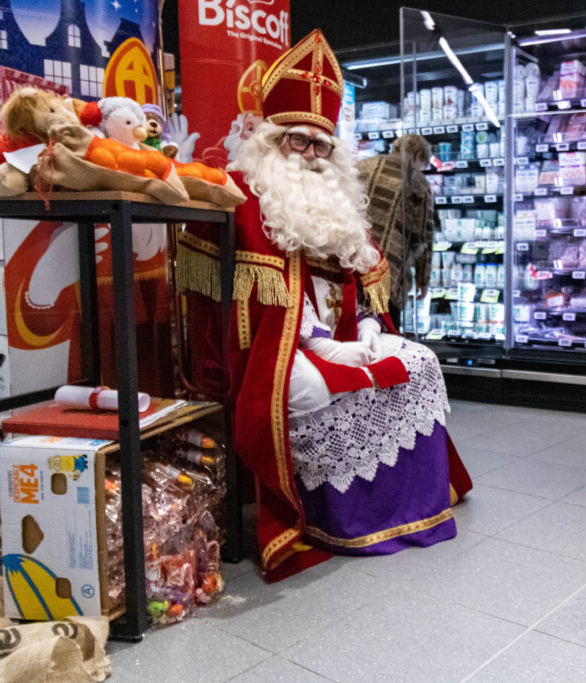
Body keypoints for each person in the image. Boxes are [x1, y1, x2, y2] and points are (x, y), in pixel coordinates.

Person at [179, 29, 472, 581]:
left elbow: (361, 282)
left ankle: (412, 503)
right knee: (310, 389)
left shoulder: (337, 204)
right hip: (279, 349)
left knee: (420, 363)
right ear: (269, 141)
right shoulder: (243, 198)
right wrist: (319, 345)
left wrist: (364, 329)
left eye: (322, 146)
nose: (313, 157)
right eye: (299, 142)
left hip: (338, 332)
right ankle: (330, 516)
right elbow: (248, 309)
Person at [356, 134, 436, 327]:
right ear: (418, 156)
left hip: (354, 264)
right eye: (422, 164)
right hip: (389, 270)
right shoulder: (417, 181)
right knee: (385, 335)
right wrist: (423, 280)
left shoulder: (363, 166)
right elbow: (424, 237)